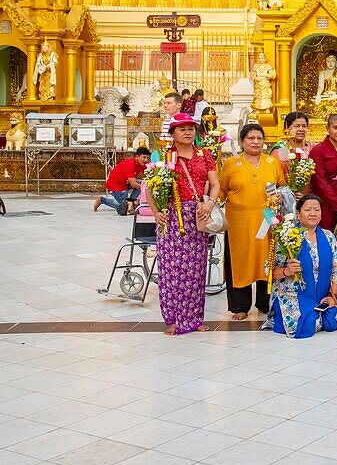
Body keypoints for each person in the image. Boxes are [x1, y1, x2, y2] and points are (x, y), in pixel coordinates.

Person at [151, 114, 220, 335]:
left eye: (191, 128)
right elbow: (151, 187)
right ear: (172, 133)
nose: (188, 132)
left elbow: (215, 183)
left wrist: (210, 202)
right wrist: (156, 212)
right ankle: (172, 318)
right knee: (171, 269)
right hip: (172, 216)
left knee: (196, 269)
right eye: (182, 129)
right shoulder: (164, 156)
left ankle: (194, 317)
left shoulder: (205, 155)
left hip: (198, 215)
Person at [218, 123, 286, 320]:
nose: (255, 142)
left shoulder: (272, 163)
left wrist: (282, 198)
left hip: (267, 224)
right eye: (251, 138)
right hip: (238, 224)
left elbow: (282, 188)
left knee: (267, 259)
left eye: (259, 138)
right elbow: (221, 192)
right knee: (239, 262)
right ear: (242, 141)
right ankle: (240, 305)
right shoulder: (231, 164)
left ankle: (265, 302)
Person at [268, 195, 337, 337]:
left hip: (321, 295)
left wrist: (331, 295)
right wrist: (286, 271)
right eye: (308, 209)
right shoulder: (287, 237)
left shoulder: (328, 236)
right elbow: (269, 271)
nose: (313, 213)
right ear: (298, 214)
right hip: (292, 295)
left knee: (331, 320)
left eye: (317, 210)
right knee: (302, 324)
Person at [95, 147, 150, 214]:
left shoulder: (141, 164)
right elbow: (133, 184)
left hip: (125, 183)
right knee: (123, 208)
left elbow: (149, 172)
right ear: (137, 157)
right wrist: (148, 188)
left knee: (143, 183)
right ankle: (102, 200)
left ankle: (130, 202)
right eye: (144, 157)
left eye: (148, 158)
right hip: (116, 185)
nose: (146, 160)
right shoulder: (130, 165)